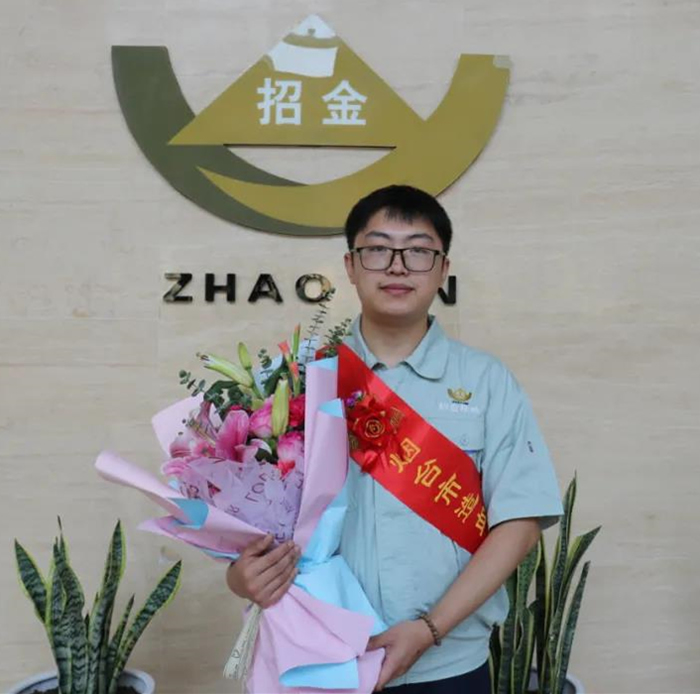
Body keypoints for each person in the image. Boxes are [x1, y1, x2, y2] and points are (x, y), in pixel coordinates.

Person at [226, 185, 563, 693]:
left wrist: (429, 630)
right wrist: (240, 575)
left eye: (419, 251)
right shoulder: (297, 379)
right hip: (315, 655)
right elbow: (246, 516)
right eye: (378, 249)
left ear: (443, 269)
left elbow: (520, 521)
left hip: (448, 662)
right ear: (351, 265)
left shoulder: (487, 382)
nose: (398, 266)